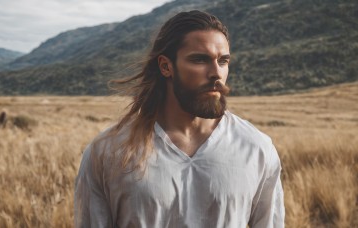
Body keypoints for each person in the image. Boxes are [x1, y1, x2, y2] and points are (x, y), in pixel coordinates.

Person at [74, 10, 285, 228]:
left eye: (223, 61)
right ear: (166, 66)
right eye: (199, 60)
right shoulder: (109, 151)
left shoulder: (256, 148)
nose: (216, 73)